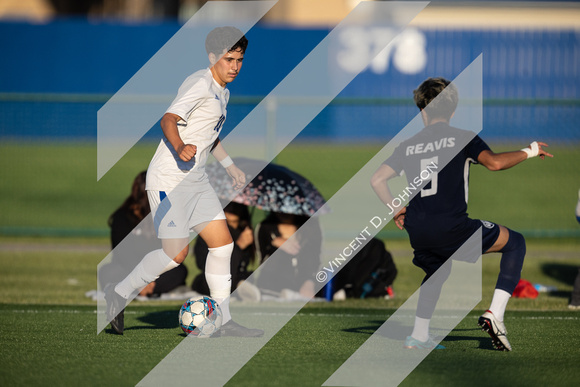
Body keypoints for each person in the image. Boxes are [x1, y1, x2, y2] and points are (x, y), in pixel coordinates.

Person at [371, 77, 553, 351]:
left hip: (416, 227)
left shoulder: (408, 144)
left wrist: (396, 208)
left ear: (423, 111)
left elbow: (377, 180)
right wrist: (530, 150)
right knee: (515, 242)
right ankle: (495, 315)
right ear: (453, 110)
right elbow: (494, 163)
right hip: (451, 226)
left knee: (437, 269)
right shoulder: (462, 137)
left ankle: (419, 336)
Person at [104, 27, 263, 337]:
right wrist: (179, 147)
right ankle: (119, 293)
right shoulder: (199, 83)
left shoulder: (222, 91)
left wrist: (230, 166)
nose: (235, 66)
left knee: (223, 245)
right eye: (229, 59)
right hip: (168, 180)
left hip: (197, 181)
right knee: (175, 255)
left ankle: (224, 320)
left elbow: (210, 135)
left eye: (240, 60)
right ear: (212, 57)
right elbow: (168, 119)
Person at [99, 171, 188, 297]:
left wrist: (149, 279)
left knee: (179, 271)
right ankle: (141, 289)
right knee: (107, 272)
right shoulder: (122, 217)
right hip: (129, 269)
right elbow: (121, 253)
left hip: (156, 271)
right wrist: (139, 280)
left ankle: (140, 289)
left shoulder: (167, 215)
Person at [192, 202, 259, 300]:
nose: (232, 209)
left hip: (238, 276)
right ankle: (238, 289)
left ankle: (240, 288)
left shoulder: (245, 232)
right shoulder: (210, 230)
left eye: (237, 205)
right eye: (228, 204)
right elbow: (204, 264)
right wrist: (239, 246)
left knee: (248, 277)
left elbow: (243, 265)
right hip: (213, 278)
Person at [255, 212, 321, 299]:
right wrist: (274, 245)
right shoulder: (265, 226)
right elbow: (262, 259)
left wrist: (310, 280)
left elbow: (316, 257)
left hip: (303, 280)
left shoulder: (311, 226)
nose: (284, 212)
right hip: (274, 279)